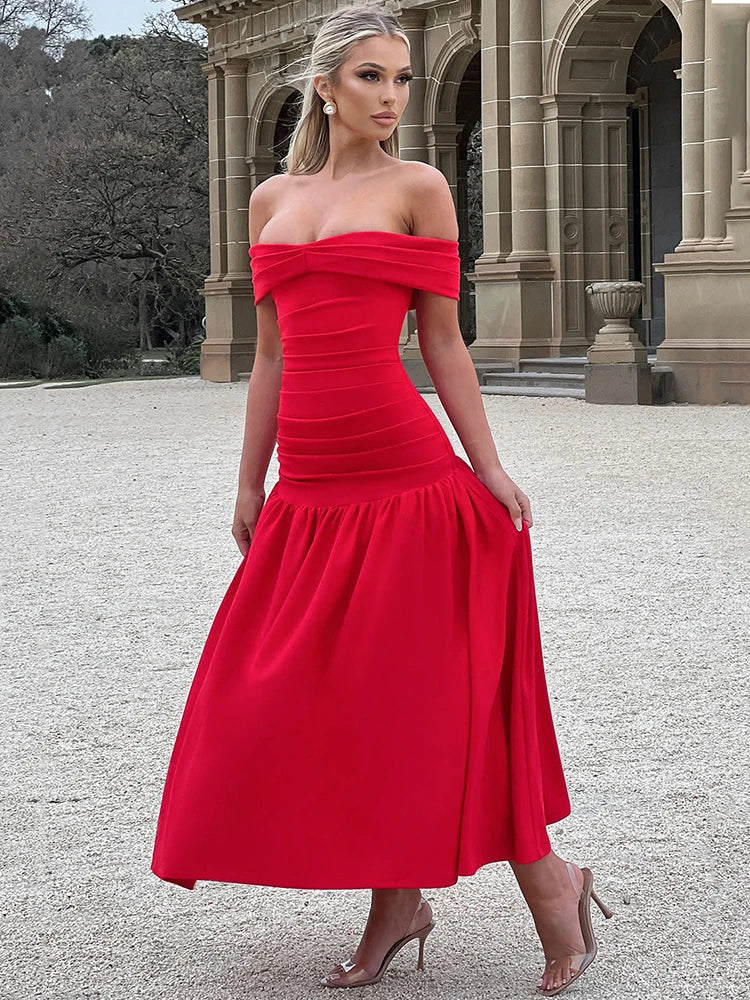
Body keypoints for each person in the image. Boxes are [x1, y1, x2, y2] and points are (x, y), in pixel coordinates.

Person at [151, 5, 613, 996]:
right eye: (370, 76)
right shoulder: (271, 198)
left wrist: (488, 467)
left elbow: (443, 339)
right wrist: (249, 478)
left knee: (433, 704)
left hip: (405, 484)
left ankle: (552, 891)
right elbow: (270, 353)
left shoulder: (422, 188)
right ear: (325, 84)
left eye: (403, 77)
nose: (392, 97)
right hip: (311, 495)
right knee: (293, 702)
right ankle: (401, 900)